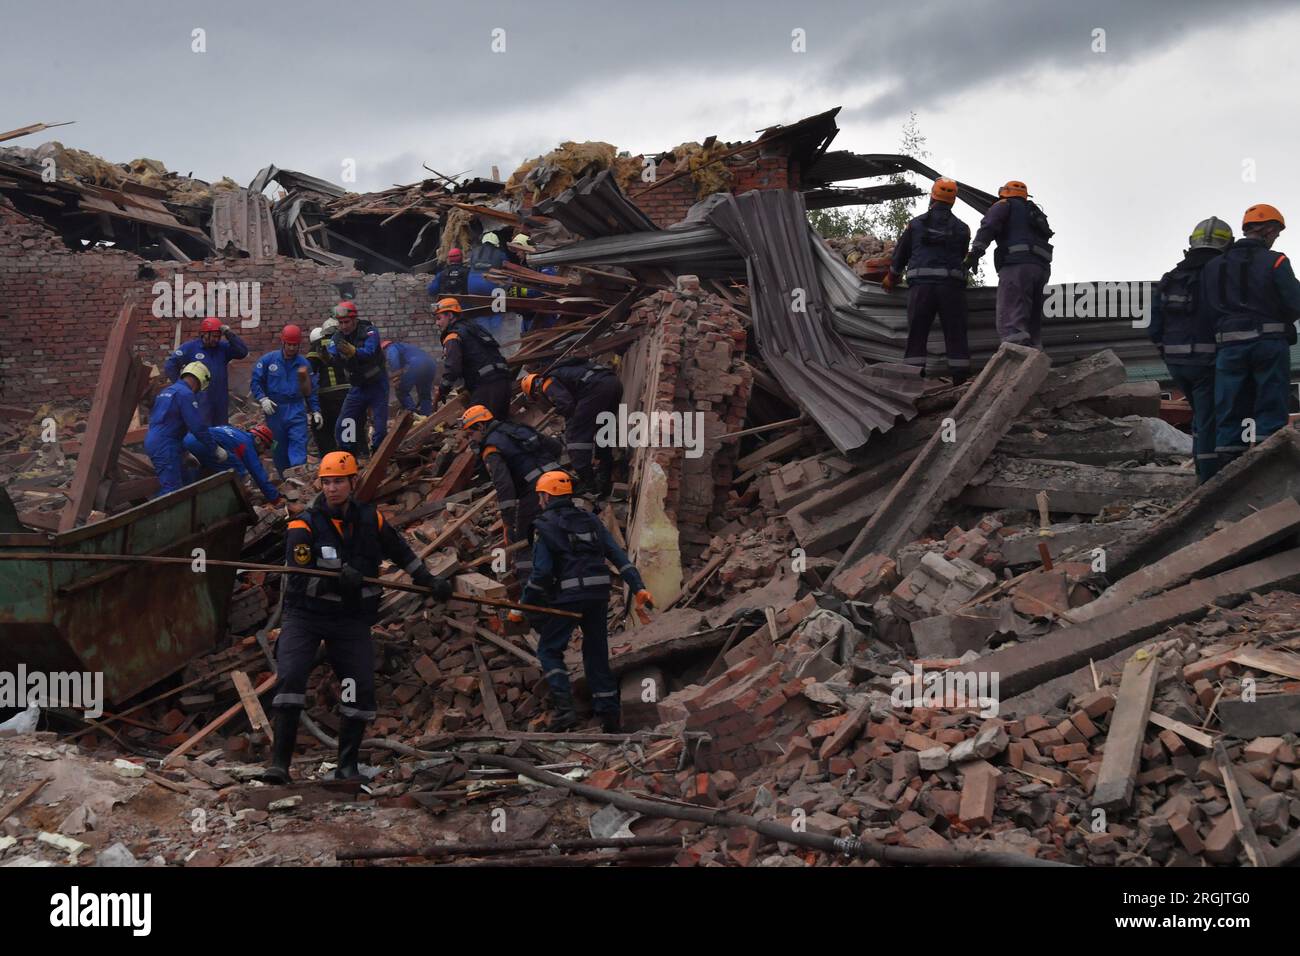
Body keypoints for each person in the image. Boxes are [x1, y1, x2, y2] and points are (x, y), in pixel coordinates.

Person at [263, 451, 453, 783]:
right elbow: (297, 578)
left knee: (357, 685)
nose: (332, 488)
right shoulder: (303, 524)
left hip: (350, 619)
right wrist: (335, 578)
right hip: (306, 616)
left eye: (339, 481)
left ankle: (346, 767)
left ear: (354, 482)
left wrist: (429, 580)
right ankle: (280, 766)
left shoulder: (371, 520)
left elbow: (402, 553)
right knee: (291, 678)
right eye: (327, 482)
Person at [522, 471, 653, 732]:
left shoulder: (545, 525)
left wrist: (524, 606)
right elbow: (619, 556)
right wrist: (638, 588)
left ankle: (564, 711)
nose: (539, 502)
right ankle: (610, 718)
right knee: (595, 653)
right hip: (598, 595)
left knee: (549, 650)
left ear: (547, 496)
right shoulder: (590, 520)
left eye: (540, 497)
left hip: (570, 597)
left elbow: (542, 574)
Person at [1205, 204, 1300, 470]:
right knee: (1270, 406)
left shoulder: (1213, 266)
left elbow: (1208, 307)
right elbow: (1295, 302)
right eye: (1276, 233)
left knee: (1230, 410)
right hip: (1268, 344)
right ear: (1269, 229)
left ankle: (1228, 475)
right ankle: (1270, 470)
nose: (1275, 239)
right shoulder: (1277, 261)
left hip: (1229, 348)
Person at [1149, 217, 1234, 483]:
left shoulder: (1172, 277)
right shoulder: (1220, 275)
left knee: (1202, 417)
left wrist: (1167, 353)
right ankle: (1208, 481)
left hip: (1177, 364)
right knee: (1210, 420)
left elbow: (1154, 327)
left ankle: (1205, 470)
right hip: (1207, 362)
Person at [883, 178, 973, 385]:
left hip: (922, 288)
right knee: (956, 334)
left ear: (932, 196)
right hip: (951, 288)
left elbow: (901, 255)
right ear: (953, 201)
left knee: (917, 334)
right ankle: (960, 384)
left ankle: (912, 384)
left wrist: (891, 277)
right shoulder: (963, 229)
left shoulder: (915, 224)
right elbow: (960, 256)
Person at [461, 404, 564, 581]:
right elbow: (555, 447)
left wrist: (509, 523)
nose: (471, 440)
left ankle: (530, 593)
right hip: (562, 484)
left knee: (522, 544)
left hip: (536, 493)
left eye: (471, 434)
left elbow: (504, 487)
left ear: (480, 426)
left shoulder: (491, 448)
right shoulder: (518, 428)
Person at [964, 180, 1054, 349]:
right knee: (1031, 316)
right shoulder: (1035, 213)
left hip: (1016, 266)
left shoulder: (1003, 205)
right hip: (1041, 269)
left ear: (1004, 192)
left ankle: (1016, 356)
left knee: (1011, 314)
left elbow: (988, 228)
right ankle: (1036, 353)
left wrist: (974, 254)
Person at [521, 359, 622, 495]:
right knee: (602, 427)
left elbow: (567, 405)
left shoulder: (546, 383)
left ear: (535, 392)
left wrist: (567, 421)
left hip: (596, 388)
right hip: (613, 383)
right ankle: (605, 474)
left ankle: (588, 483)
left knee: (575, 437)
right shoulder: (560, 373)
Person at [250, 325, 321, 479]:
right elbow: (256, 381)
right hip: (275, 410)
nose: (292, 348)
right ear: (283, 343)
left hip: (296, 409)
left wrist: (315, 410)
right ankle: (285, 480)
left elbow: (311, 390)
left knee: (298, 442)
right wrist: (263, 399)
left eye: (295, 345)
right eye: (289, 344)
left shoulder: (304, 365)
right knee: (278, 447)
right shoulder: (268, 360)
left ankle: (297, 477)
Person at [144, 361, 221, 496]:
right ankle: (159, 516)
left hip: (160, 442)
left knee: (185, 480)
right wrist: (215, 448)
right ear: (201, 380)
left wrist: (184, 453)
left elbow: (169, 424)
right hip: (165, 445)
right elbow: (197, 427)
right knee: (171, 491)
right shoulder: (185, 394)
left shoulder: (167, 391)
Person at [433, 296, 512, 419]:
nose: (437, 323)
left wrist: (443, 389)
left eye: (439, 318)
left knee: (479, 426)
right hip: (504, 381)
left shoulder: (453, 336)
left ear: (450, 315)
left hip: (486, 386)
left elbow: (453, 369)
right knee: (500, 425)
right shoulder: (475, 328)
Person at [328, 300, 389, 457]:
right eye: (340, 323)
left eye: (347, 322)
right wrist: (332, 356)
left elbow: (369, 351)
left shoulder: (369, 331)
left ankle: (377, 454)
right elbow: (333, 353)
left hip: (377, 386)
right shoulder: (337, 336)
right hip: (358, 387)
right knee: (344, 424)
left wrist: (354, 351)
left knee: (380, 427)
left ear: (355, 319)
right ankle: (348, 454)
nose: (343, 326)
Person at [163, 316, 249, 426]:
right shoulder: (190, 347)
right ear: (204, 334)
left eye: (219, 336)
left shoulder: (222, 348)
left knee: (220, 430)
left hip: (220, 399)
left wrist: (228, 333)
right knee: (201, 430)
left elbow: (242, 352)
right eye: (214, 336)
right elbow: (170, 365)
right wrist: (181, 387)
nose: (216, 339)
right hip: (200, 399)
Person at [183, 422, 282, 504]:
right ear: (258, 439)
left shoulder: (236, 432)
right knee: (238, 470)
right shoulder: (247, 444)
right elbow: (257, 473)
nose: (263, 451)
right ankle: (234, 501)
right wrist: (275, 498)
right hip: (204, 445)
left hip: (188, 440)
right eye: (265, 447)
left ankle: (191, 498)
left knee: (198, 476)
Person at [307, 322, 348, 454]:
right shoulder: (343, 343)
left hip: (327, 395)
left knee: (321, 427)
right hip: (348, 393)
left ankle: (329, 456)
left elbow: (309, 372)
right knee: (348, 424)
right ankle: (352, 453)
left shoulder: (317, 346)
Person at [383, 339, 439, 415]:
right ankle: (426, 417)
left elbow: (395, 365)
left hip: (416, 364)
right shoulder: (404, 347)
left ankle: (412, 414)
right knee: (424, 394)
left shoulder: (391, 348)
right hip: (430, 364)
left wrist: (396, 380)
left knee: (401, 391)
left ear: (384, 348)